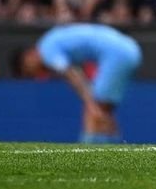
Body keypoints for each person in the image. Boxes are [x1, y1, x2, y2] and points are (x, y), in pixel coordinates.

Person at [12, 23, 142, 143]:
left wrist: (90, 102)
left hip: (118, 54)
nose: (33, 75)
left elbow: (71, 74)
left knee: (94, 109)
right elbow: (77, 72)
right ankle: (117, 151)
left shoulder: (47, 49)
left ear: (28, 57)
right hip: (128, 49)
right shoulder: (51, 41)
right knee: (105, 109)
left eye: (28, 71)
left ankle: (85, 158)